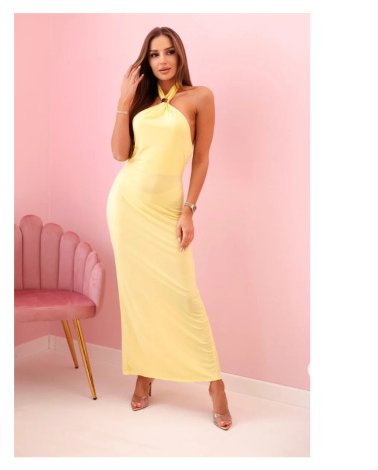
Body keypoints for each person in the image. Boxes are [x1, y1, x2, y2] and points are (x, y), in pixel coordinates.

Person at [106, 26, 232, 430]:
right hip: (127, 205)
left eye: (169, 52)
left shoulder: (200, 97)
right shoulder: (139, 101)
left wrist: (189, 210)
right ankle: (145, 374)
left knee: (184, 296)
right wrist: (123, 102)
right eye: (154, 54)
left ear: (180, 56)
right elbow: (119, 153)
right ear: (147, 60)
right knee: (139, 295)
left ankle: (215, 384)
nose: (162, 60)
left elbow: (201, 159)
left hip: (167, 211)